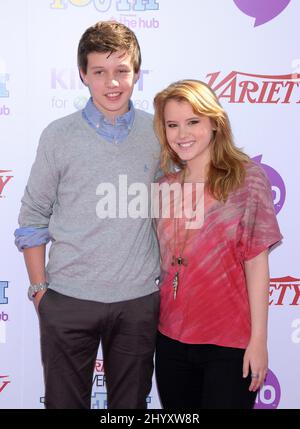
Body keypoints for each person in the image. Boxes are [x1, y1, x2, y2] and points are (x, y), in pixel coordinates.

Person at [14, 21, 160, 409]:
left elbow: (175, 208)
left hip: (138, 301)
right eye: (99, 72)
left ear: (136, 73)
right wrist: (40, 293)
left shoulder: (159, 133)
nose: (112, 83)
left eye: (122, 71)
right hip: (67, 300)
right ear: (83, 74)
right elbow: (32, 217)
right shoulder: (58, 135)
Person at [153, 79, 282, 409]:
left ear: (214, 123)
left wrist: (258, 341)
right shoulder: (163, 187)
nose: (182, 134)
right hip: (169, 341)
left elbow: (256, 263)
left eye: (193, 121)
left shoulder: (246, 179)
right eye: (173, 125)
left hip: (229, 345)